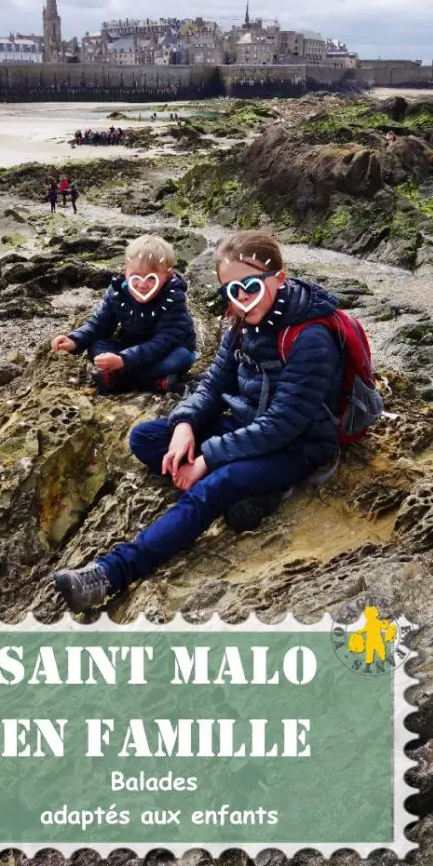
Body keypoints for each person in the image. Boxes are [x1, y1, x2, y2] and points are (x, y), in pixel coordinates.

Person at [54, 230, 347, 612]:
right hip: (245, 428)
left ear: (279, 277)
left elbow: (284, 424)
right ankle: (255, 491)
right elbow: (211, 385)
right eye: (231, 290)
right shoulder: (240, 323)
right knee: (146, 438)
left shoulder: (311, 337)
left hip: (299, 446)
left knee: (213, 485)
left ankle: (112, 573)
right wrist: (184, 426)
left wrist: (207, 459)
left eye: (251, 285)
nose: (241, 298)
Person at [51, 234, 197, 397]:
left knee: (182, 357)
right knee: (96, 347)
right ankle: (155, 382)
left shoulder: (174, 298)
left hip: (165, 351)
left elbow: (164, 342)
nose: (142, 284)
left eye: (151, 278)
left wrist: (123, 361)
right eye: (135, 276)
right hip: (129, 346)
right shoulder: (117, 292)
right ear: (125, 271)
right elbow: (99, 324)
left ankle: (119, 380)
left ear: (168, 275)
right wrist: (74, 340)